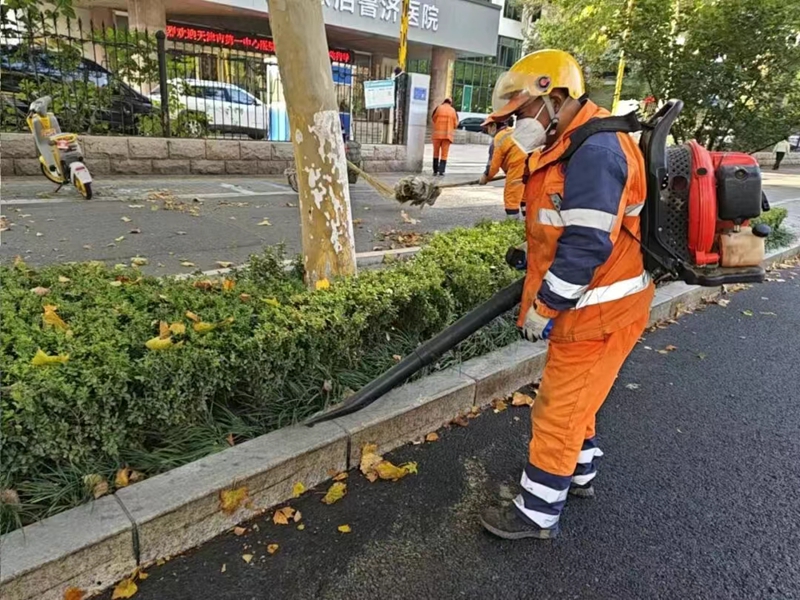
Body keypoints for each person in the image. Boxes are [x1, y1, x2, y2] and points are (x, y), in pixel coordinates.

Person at [479, 49, 655, 540]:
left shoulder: (596, 153)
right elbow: (563, 225)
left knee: (557, 410)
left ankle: (537, 512)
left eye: (520, 113)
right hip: (596, 306)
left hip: (598, 312)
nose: (515, 126)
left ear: (554, 97)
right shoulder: (572, 142)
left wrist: (546, 305)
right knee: (580, 400)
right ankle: (578, 473)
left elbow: (587, 245)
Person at [479, 116, 527, 218]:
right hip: (533, 165)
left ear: (493, 126)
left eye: (487, 127)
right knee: (526, 194)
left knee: (511, 196)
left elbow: (493, 166)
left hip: (518, 167)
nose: (486, 131)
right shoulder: (513, 132)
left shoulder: (498, 138)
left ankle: (512, 223)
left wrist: (486, 177)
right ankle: (528, 221)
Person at [431, 97, 458, 176]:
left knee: (436, 153)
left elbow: (433, 118)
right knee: (444, 154)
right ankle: (441, 171)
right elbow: (456, 124)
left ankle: (435, 170)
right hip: (447, 136)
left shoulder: (438, 108)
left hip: (437, 135)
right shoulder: (453, 110)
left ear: (444, 102)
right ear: (450, 103)